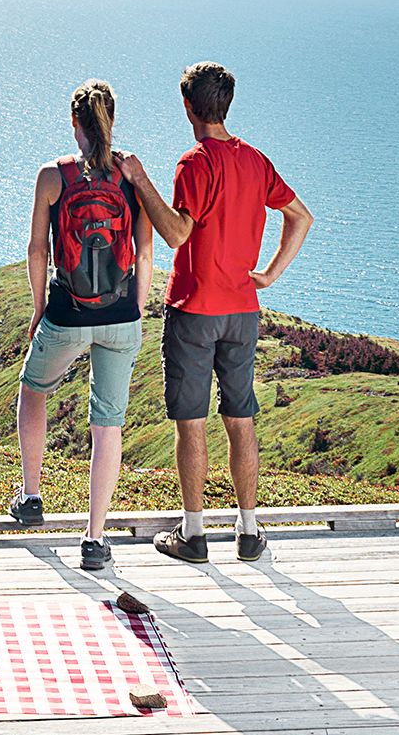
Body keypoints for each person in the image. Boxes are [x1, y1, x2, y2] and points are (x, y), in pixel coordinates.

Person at [124, 60, 314, 564]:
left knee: (192, 423)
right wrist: (270, 275)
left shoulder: (194, 163)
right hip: (242, 312)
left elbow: (176, 233)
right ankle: (249, 533)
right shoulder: (255, 160)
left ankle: (194, 535)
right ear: (225, 105)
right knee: (240, 419)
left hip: (194, 310)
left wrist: (141, 181)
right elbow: (300, 216)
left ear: (188, 106)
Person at [11, 79, 154, 572]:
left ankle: (31, 498)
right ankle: (94, 539)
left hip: (68, 312)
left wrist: (37, 308)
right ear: (112, 120)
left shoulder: (53, 175)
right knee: (107, 421)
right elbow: (146, 250)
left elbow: (37, 249)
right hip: (121, 316)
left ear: (75, 123)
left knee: (34, 389)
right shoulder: (132, 174)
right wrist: (134, 306)